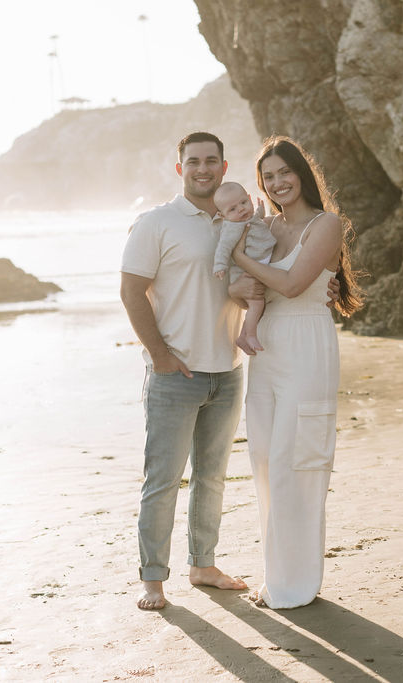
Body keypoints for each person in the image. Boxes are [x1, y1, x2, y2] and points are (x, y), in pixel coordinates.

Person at [229, 135, 365, 609]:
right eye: (268, 177)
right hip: (265, 352)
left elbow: (289, 283)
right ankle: (277, 578)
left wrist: (238, 256)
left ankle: (296, 585)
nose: (277, 182)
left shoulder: (326, 224)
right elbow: (243, 290)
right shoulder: (264, 226)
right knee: (265, 464)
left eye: (284, 172)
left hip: (307, 347)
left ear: (302, 174)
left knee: (298, 464)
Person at [119, 132, 252, 610]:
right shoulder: (157, 222)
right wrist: (159, 355)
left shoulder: (237, 220)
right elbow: (132, 291)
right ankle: (152, 578)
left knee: (212, 478)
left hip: (229, 370)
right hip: (176, 374)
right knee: (163, 480)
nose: (203, 169)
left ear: (223, 166)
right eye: (193, 161)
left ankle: (203, 565)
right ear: (180, 169)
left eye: (211, 161)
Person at [212, 181, 276, 355]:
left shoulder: (248, 218)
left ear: (249, 198)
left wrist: (260, 213)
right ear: (222, 215)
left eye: (243, 203)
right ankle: (251, 335)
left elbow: (256, 221)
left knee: (259, 303)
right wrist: (220, 265)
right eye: (232, 209)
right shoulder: (232, 228)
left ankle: (242, 336)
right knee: (257, 302)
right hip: (246, 273)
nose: (240, 209)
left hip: (258, 265)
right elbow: (223, 247)